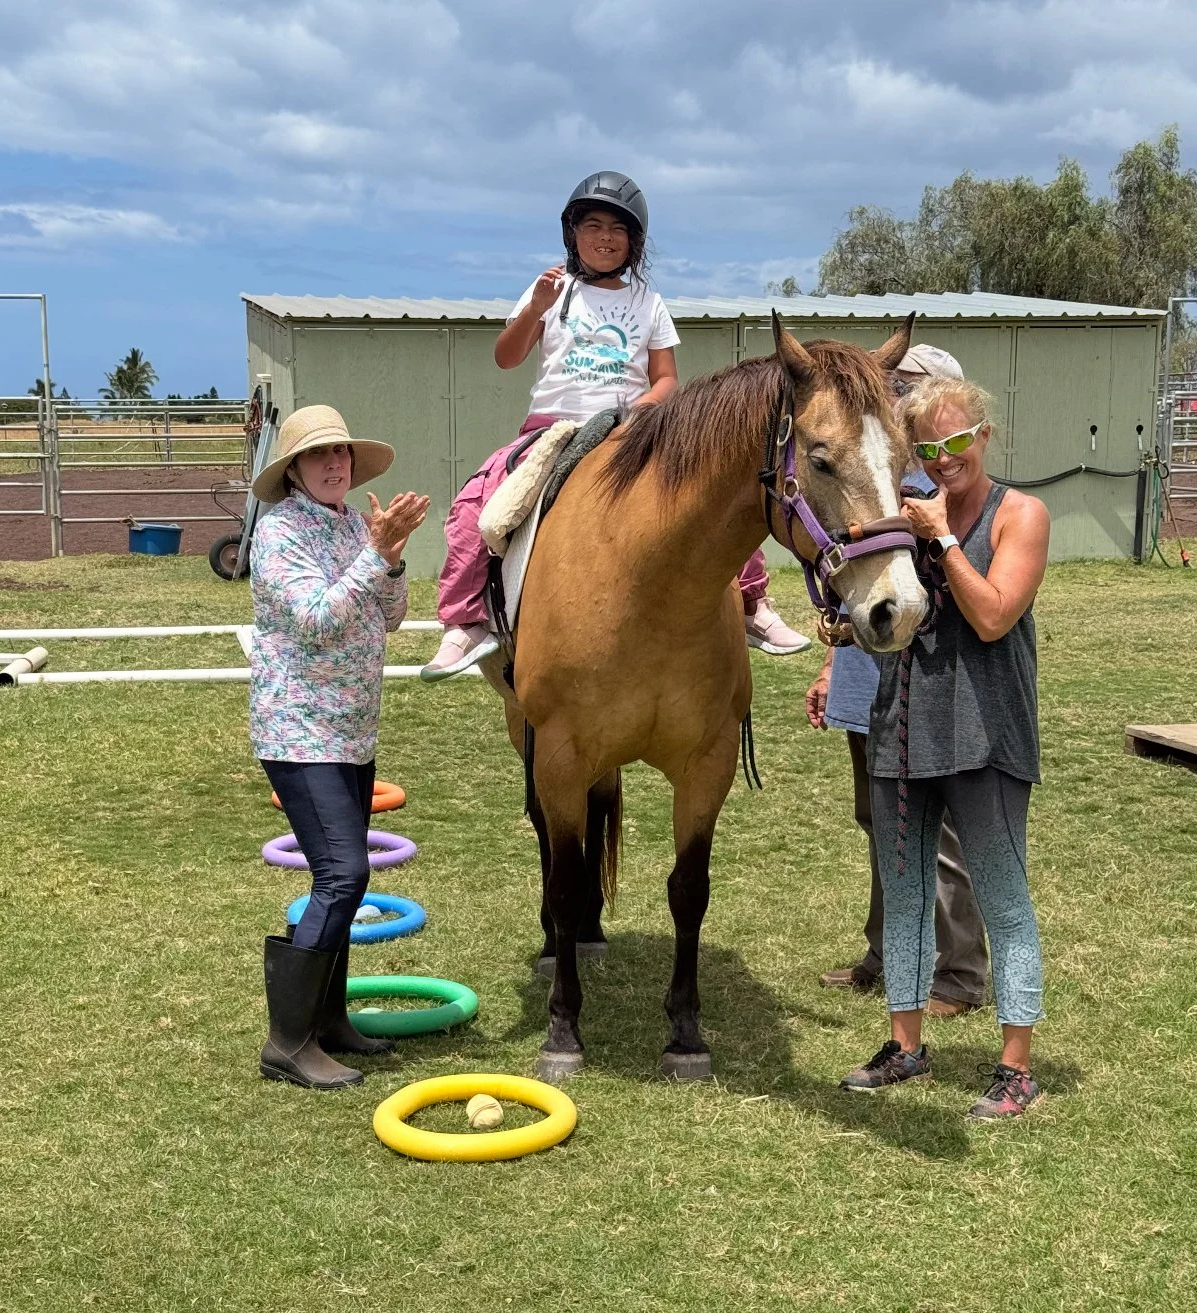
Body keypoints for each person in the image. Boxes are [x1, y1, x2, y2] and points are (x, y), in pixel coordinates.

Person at [421, 170, 808, 679]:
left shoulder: (648, 302)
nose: (605, 238)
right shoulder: (550, 291)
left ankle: (753, 606)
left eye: (617, 229)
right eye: (593, 225)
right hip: (552, 428)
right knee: (479, 503)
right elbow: (506, 357)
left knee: (713, 494)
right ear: (573, 234)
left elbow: (666, 378)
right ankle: (466, 623)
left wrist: (645, 409)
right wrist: (535, 308)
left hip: (631, 429)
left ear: (634, 242)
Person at [839, 377, 1050, 1119]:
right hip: (902, 729)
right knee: (905, 901)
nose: (943, 459)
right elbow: (874, 599)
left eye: (956, 442)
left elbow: (992, 614)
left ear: (985, 435)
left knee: (1002, 898)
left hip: (985, 734)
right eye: (927, 448)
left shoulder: (1020, 514)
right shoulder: (904, 513)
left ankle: (1016, 1067)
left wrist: (944, 537)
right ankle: (906, 1046)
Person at [248, 405, 429, 1089]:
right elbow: (319, 620)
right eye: (319, 455)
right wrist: (374, 557)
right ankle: (287, 1041)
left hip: (351, 732)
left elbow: (390, 614)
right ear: (292, 469)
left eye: (342, 454)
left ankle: (326, 1023)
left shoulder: (356, 523)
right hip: (300, 731)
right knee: (343, 874)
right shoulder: (278, 534)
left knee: (346, 883)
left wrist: (392, 557)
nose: (334, 464)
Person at [808, 344, 988, 1016]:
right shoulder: (877, 481)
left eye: (910, 391)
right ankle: (885, 952)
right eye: (894, 390)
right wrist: (833, 664)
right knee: (880, 820)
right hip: (867, 682)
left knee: (937, 832)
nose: (899, 402)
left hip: (926, 688)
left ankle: (960, 973)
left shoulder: (942, 498)